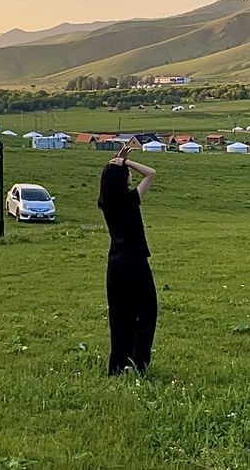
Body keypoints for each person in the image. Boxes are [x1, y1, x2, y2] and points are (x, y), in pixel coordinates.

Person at [98, 145, 157, 376]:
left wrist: (117, 161)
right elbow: (151, 173)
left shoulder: (106, 201)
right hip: (135, 263)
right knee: (147, 313)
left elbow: (111, 177)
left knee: (119, 316)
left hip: (115, 264)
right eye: (128, 176)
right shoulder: (129, 201)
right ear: (123, 179)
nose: (131, 178)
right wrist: (126, 163)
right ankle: (138, 365)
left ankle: (116, 367)